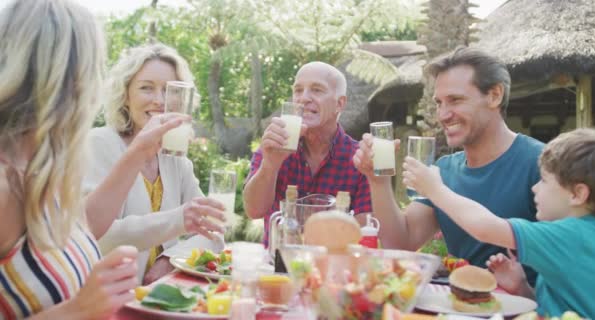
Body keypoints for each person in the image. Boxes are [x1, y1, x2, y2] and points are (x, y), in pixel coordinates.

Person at [353, 47, 543, 284]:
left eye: (455, 100)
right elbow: (401, 243)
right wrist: (377, 180)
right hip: (457, 304)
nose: (443, 115)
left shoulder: (542, 164)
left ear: (494, 95)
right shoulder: (443, 170)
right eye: (439, 103)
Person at [0, 0, 138, 318]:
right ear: (72, 77)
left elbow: (85, 226)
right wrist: (77, 310)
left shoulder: (49, 165)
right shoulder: (5, 185)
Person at [406, 128, 595, 318]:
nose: (535, 188)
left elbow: (485, 228)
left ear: (578, 194)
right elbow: (563, 308)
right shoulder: (593, 235)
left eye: (544, 181)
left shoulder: (571, 236)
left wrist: (434, 189)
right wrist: (522, 288)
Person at [84, 43, 225, 284]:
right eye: (146, 88)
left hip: (161, 300)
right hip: (108, 299)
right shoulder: (98, 144)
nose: (159, 100)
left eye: (169, 90)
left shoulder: (176, 158)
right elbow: (96, 234)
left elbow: (214, 231)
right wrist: (178, 221)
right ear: (125, 95)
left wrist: (170, 259)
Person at [243, 61, 372, 247]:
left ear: (339, 104)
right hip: (276, 270)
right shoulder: (274, 146)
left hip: (330, 270)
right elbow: (253, 210)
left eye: (317, 90)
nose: (304, 98)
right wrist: (270, 165)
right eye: (298, 90)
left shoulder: (360, 159)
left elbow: (364, 235)